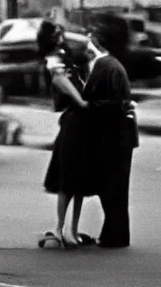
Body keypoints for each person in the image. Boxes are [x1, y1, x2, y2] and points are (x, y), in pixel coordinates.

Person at [37, 20, 100, 249]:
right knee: (68, 179)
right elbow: (58, 79)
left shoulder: (72, 58)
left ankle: (72, 229)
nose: (61, 35)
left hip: (83, 123)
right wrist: (81, 100)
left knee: (79, 180)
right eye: (56, 32)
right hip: (73, 122)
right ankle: (60, 227)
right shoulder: (54, 59)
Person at [82, 15, 139, 248]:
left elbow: (107, 103)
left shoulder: (106, 65)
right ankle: (115, 234)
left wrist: (86, 105)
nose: (87, 41)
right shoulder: (114, 64)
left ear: (99, 42)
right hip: (121, 135)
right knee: (116, 188)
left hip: (113, 136)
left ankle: (114, 235)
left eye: (92, 37)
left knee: (111, 188)